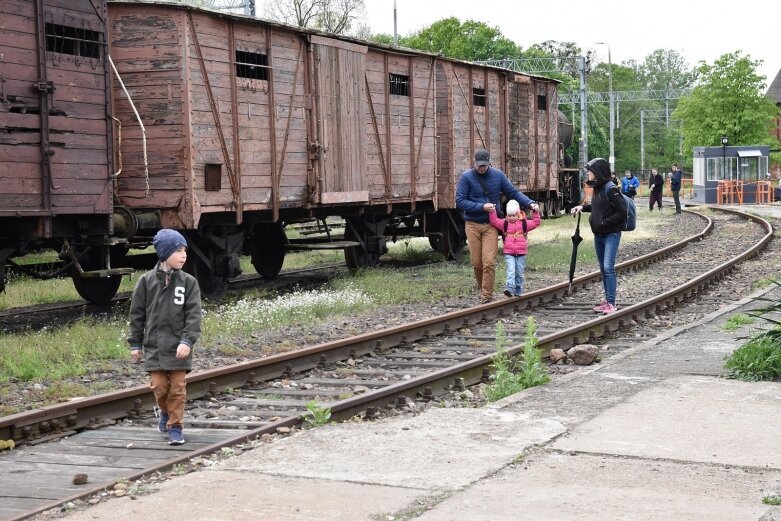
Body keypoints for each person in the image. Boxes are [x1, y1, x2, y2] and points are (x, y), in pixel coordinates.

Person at [128, 229, 202, 445]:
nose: (184, 255)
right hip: (154, 346)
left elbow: (194, 315)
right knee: (159, 387)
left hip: (179, 347)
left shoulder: (189, 283)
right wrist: (135, 343)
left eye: (185, 251)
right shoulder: (146, 282)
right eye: (178, 251)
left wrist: (187, 340)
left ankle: (176, 427)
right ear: (165, 253)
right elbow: (137, 314)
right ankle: (165, 412)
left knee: (178, 388)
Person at [456, 149, 539, 303]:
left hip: (491, 225)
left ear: (489, 163)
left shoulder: (498, 175)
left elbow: (513, 193)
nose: (482, 168)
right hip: (472, 224)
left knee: (489, 261)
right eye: (479, 165)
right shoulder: (466, 177)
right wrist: (482, 207)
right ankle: (483, 289)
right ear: (474, 163)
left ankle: (486, 297)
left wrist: (530, 203)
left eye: (484, 165)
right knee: (476, 263)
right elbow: (460, 201)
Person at [570, 158, 627, 315]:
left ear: (598, 172)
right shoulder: (598, 188)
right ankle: (607, 300)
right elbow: (598, 207)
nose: (588, 173)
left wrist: (604, 222)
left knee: (608, 267)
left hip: (611, 235)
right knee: (603, 268)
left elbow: (622, 212)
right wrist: (581, 207)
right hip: (599, 234)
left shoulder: (611, 189)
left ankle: (612, 303)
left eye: (590, 171)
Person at [488, 199, 541, 298]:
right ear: (507, 215)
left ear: (519, 214)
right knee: (511, 270)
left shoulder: (524, 224)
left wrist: (535, 211)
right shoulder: (505, 223)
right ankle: (509, 288)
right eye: (509, 216)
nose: (511, 218)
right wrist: (492, 211)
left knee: (519, 272)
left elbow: (536, 222)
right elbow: (494, 221)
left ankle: (518, 288)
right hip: (509, 252)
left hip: (521, 252)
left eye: (513, 216)